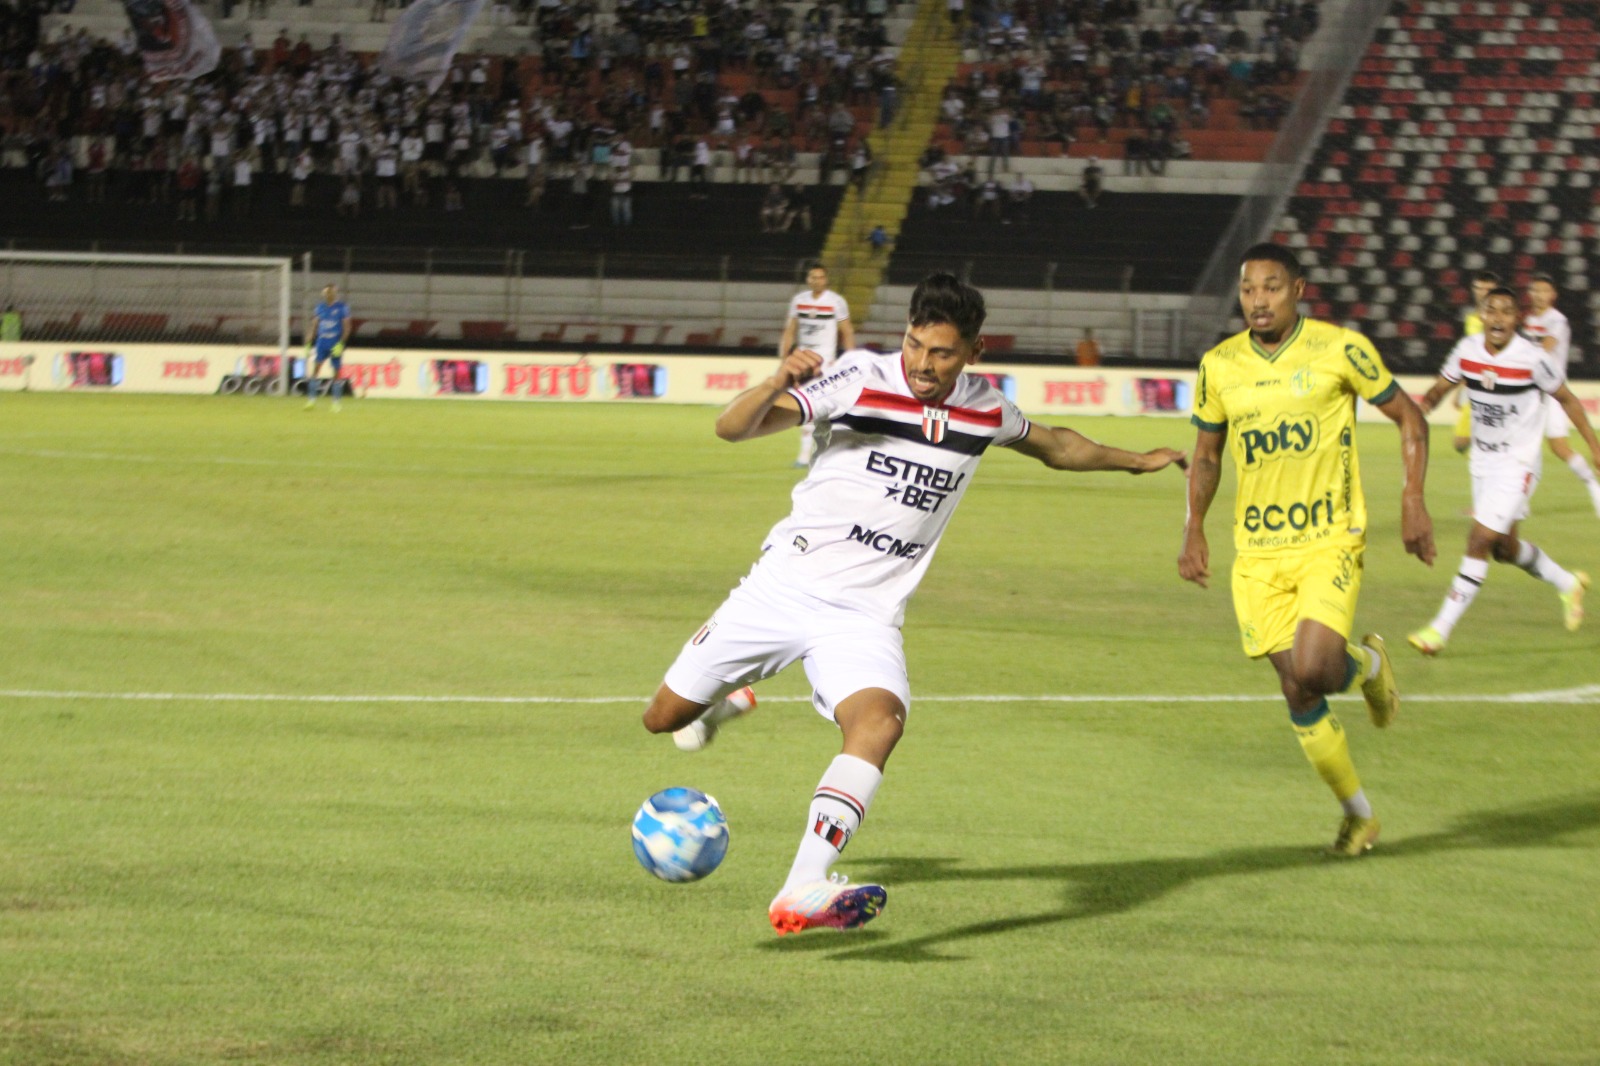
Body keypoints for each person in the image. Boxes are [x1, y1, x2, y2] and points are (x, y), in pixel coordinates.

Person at [641, 273, 1186, 936]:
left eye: (942, 353)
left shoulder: (984, 408)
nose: (923, 365)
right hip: (782, 588)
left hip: (864, 614)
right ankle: (725, 703)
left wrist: (1137, 461)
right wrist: (775, 382)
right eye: (914, 344)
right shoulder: (861, 378)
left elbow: (1060, 446)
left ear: (974, 352)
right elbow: (732, 429)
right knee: (664, 718)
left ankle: (802, 886)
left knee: (880, 723)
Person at [1179, 243, 1436, 858]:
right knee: (1299, 689)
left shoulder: (1340, 349)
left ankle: (1368, 668)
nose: (1258, 300)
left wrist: (1412, 499)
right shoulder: (1219, 365)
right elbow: (1208, 454)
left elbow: (1411, 418)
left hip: (1329, 538)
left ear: (1298, 289)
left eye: (1271, 287)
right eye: (1248, 289)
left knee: (1317, 668)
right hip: (1259, 552)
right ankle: (1359, 816)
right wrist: (1193, 525)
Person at [1407, 286, 1599, 655]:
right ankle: (1568, 582)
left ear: (1516, 319)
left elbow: (1568, 400)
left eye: (1506, 311)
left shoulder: (1531, 358)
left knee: (1479, 539)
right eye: (1490, 310)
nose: (1498, 318)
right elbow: (1438, 390)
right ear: (1480, 314)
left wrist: (1594, 446)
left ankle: (1439, 630)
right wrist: (1417, 412)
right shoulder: (1467, 351)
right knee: (1504, 549)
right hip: (1483, 463)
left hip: (1519, 464)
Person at [1523, 274, 1600, 516]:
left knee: (1559, 447)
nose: (1539, 295)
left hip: (1554, 391)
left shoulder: (1557, 320)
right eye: (1535, 290)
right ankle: (1519, 502)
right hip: (1531, 392)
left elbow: (1545, 348)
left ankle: (1593, 487)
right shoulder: (1528, 320)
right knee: (1528, 448)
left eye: (1544, 291)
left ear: (1552, 295)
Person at [778, 263, 855, 467]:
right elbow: (790, 330)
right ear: (808, 279)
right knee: (808, 408)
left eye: (820, 277)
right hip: (804, 363)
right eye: (813, 277)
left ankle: (823, 453)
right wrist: (784, 358)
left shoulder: (836, 302)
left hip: (826, 363)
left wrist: (851, 359)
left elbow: (846, 331)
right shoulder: (799, 301)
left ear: (826, 280)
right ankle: (806, 455)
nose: (816, 280)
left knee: (825, 409)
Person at [1450, 270, 1500, 453]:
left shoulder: (1501, 319)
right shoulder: (1471, 319)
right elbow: (1468, 356)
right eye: (1479, 288)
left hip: (1493, 382)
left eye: (1488, 289)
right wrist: (1459, 388)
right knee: (1461, 443)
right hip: (1474, 383)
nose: (1483, 292)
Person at [304, 284, 351, 412]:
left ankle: (336, 403)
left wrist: (341, 344)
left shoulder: (342, 308)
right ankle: (311, 400)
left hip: (335, 343)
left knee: (336, 373)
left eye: (330, 292)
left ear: (335, 293)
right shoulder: (320, 307)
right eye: (326, 293)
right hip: (321, 342)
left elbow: (347, 327)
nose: (328, 295)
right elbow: (314, 326)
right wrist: (308, 343)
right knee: (315, 370)